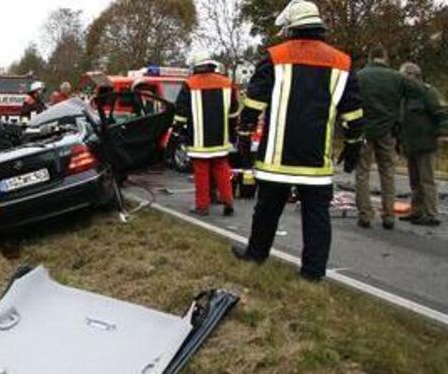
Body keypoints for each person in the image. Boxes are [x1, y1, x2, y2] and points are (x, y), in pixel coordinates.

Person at [232, 0, 365, 281]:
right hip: (316, 162)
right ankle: (313, 273)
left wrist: (244, 138)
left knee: (266, 210)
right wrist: (354, 144)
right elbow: (352, 111)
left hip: (276, 159)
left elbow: (254, 103)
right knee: (316, 219)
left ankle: (256, 255)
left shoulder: (274, 56)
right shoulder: (342, 62)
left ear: (292, 27)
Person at [355, 46, 423, 230]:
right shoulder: (397, 77)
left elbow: (350, 100)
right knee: (387, 172)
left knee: (362, 172)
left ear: (370, 57)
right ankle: (389, 215)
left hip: (364, 129)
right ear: (385, 58)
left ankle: (365, 214)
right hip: (387, 130)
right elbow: (419, 91)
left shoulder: (359, 76)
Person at [175, 50, 238, 216]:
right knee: (222, 169)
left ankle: (202, 206)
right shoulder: (227, 82)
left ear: (196, 67)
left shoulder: (189, 84)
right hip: (220, 138)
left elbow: (181, 113)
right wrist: (232, 135)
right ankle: (228, 201)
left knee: (201, 173)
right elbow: (234, 113)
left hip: (198, 139)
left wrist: (178, 130)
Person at [398, 62, 448, 226]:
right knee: (415, 181)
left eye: (405, 76)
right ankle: (417, 210)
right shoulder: (405, 97)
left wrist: (442, 133)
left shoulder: (428, 92)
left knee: (427, 180)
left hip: (426, 143)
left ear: (414, 76)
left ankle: (431, 214)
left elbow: (442, 113)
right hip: (411, 144)